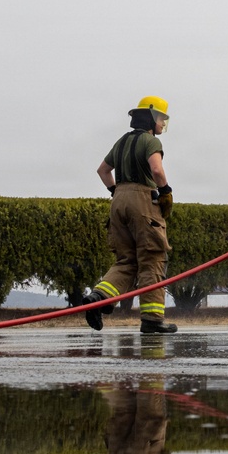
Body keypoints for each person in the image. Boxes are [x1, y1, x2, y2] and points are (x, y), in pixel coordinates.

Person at [82, 96, 178, 334]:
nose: (162, 123)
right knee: (152, 258)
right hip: (143, 201)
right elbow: (156, 169)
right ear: (150, 116)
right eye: (161, 118)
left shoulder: (121, 142)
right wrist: (165, 191)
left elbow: (103, 171)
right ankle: (153, 320)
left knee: (126, 260)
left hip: (118, 200)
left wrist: (117, 191)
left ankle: (98, 298)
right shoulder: (150, 141)